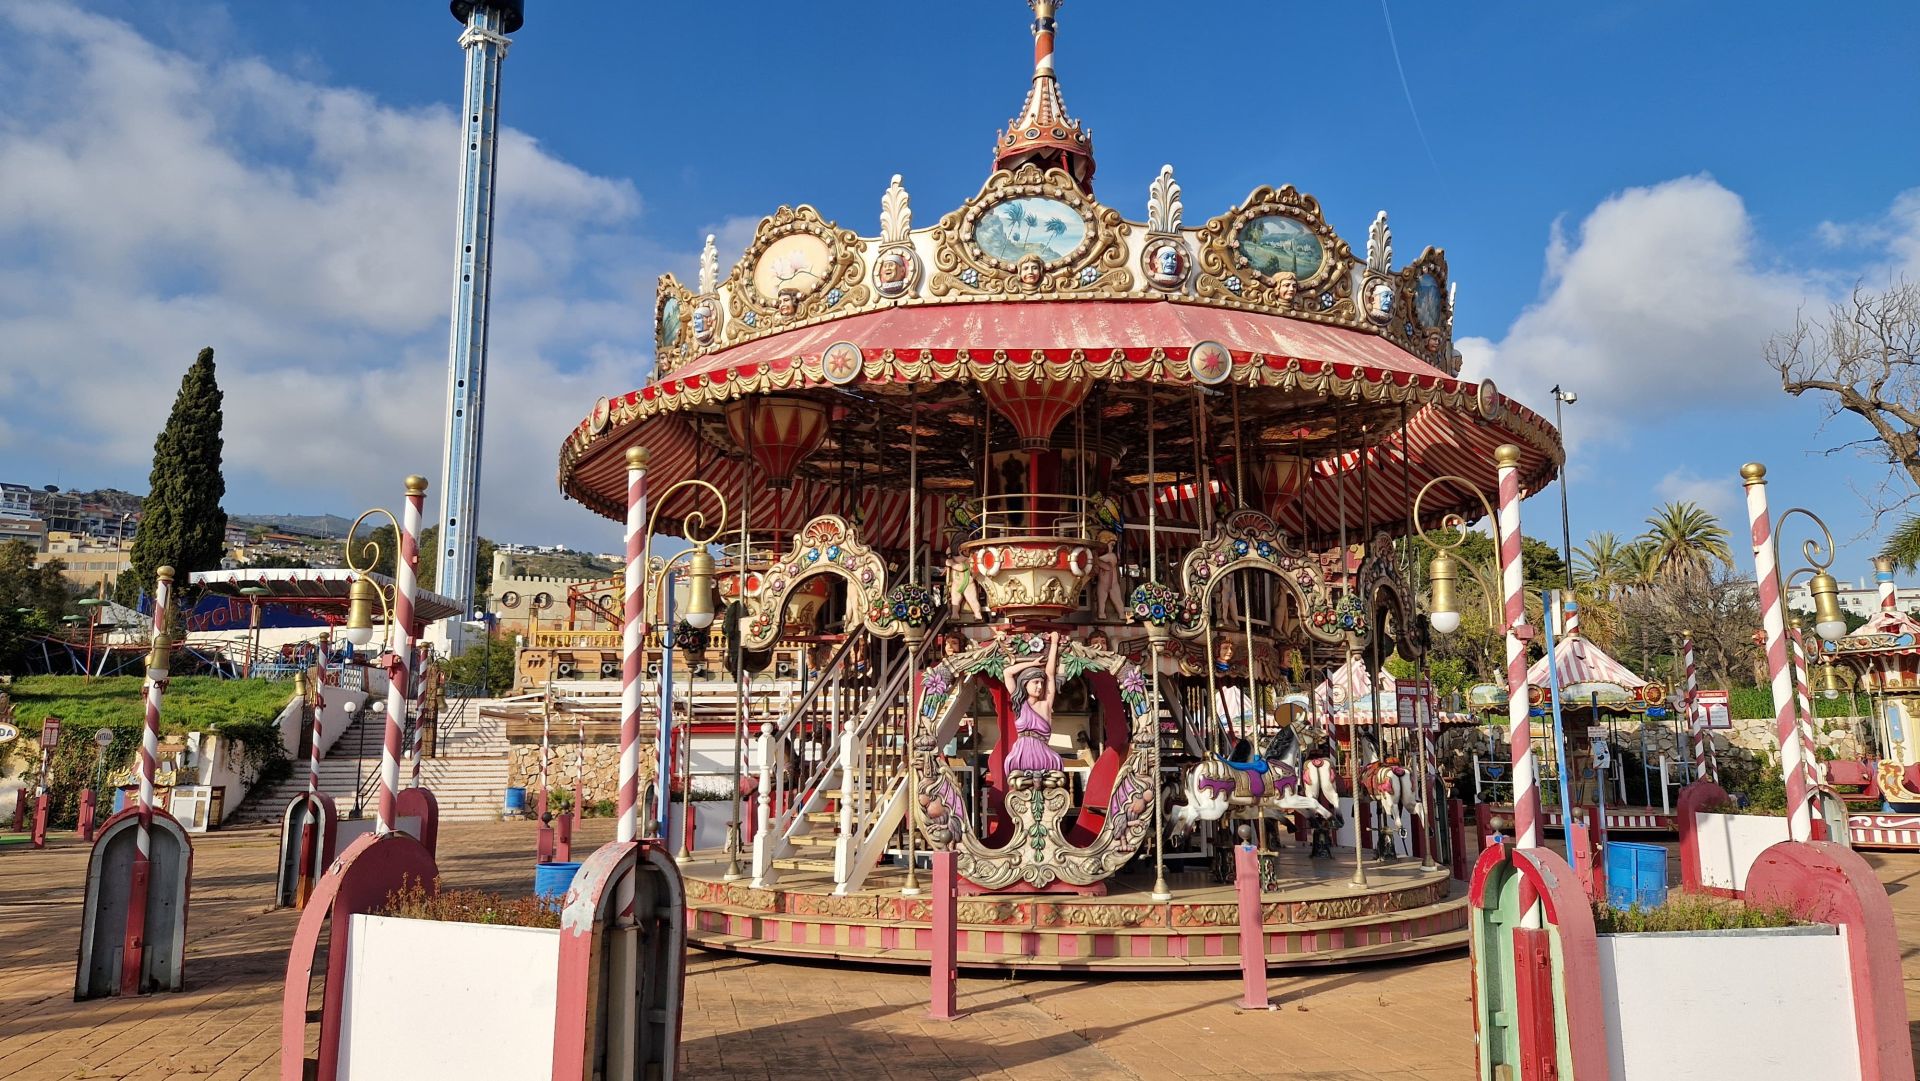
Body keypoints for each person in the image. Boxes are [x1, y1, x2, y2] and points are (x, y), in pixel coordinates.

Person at [1002, 634, 1063, 774]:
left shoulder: (1045, 705)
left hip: (1043, 755)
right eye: (1035, 683)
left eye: (1041, 683)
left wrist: (1054, 643)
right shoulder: (1020, 703)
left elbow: (1050, 674)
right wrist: (1032, 664)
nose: (1040, 687)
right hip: (1020, 755)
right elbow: (1008, 673)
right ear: (1024, 683)